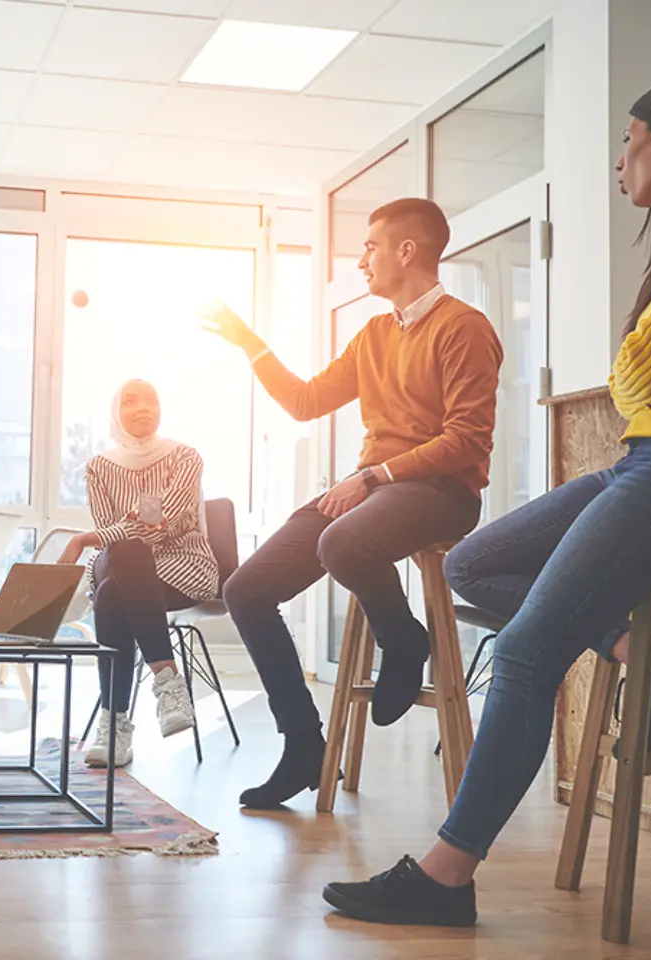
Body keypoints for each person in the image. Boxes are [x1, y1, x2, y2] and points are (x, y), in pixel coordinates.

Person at [323, 71, 651, 930]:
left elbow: (637, 372)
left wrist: (638, 366)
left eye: (627, 140)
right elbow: (638, 378)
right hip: (640, 457)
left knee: (524, 653)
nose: (619, 161)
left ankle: (448, 876)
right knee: (478, 563)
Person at [201, 197, 503, 809]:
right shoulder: (373, 335)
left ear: (406, 251)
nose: (362, 259)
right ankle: (304, 745)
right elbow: (307, 401)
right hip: (376, 488)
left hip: (443, 493)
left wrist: (374, 477)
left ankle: (404, 639)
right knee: (246, 590)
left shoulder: (463, 327)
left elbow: (466, 439)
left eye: (370, 246)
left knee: (340, 542)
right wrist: (250, 344)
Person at [60, 379, 217, 768]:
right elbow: (124, 535)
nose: (142, 407)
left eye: (151, 399)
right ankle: (167, 683)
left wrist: (85, 539)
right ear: (117, 412)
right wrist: (117, 530)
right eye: (130, 401)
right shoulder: (99, 468)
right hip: (126, 566)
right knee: (125, 563)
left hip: (182, 566)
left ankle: (114, 724)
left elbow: (160, 520)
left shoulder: (185, 457)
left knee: (116, 587)